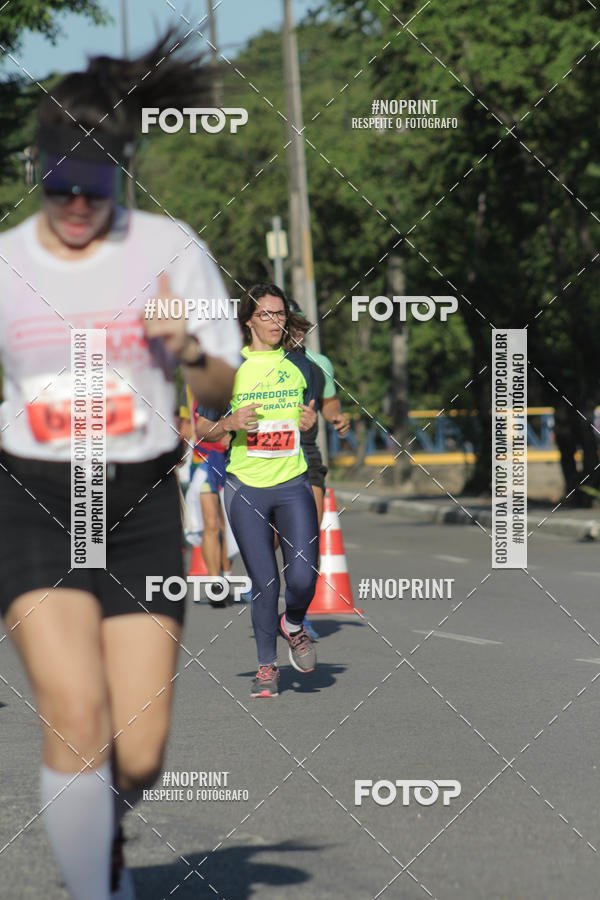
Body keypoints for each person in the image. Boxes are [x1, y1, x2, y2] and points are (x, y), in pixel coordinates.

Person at [0, 30, 241, 900]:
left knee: (135, 752)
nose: (74, 205)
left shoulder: (168, 250)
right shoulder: (5, 262)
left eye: (92, 188)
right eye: (58, 184)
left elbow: (220, 386)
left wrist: (186, 352)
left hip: (138, 501)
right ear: (37, 167)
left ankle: (97, 832)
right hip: (32, 492)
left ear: (122, 171)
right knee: (76, 715)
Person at [209, 284, 320, 698]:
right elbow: (197, 426)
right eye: (267, 315)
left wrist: (309, 422)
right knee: (265, 582)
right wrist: (230, 423)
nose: (276, 323)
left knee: (304, 577)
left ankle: (293, 622)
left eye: (280, 315)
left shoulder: (301, 365)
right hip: (246, 486)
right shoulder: (227, 369)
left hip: (292, 482)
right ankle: (266, 667)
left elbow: (307, 417)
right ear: (249, 322)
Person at [282, 302, 350, 639]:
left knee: (307, 537)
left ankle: (298, 614)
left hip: (307, 455)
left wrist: (337, 419)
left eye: (299, 327)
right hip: (266, 458)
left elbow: (329, 404)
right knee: (272, 540)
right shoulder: (261, 364)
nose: (294, 333)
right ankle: (271, 606)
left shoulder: (319, 364)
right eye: (288, 326)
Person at [179, 384, 234, 605]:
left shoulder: (236, 375)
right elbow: (186, 424)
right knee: (210, 523)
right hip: (202, 460)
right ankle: (216, 584)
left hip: (233, 460)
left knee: (226, 524)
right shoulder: (190, 387)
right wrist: (179, 450)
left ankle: (227, 574)